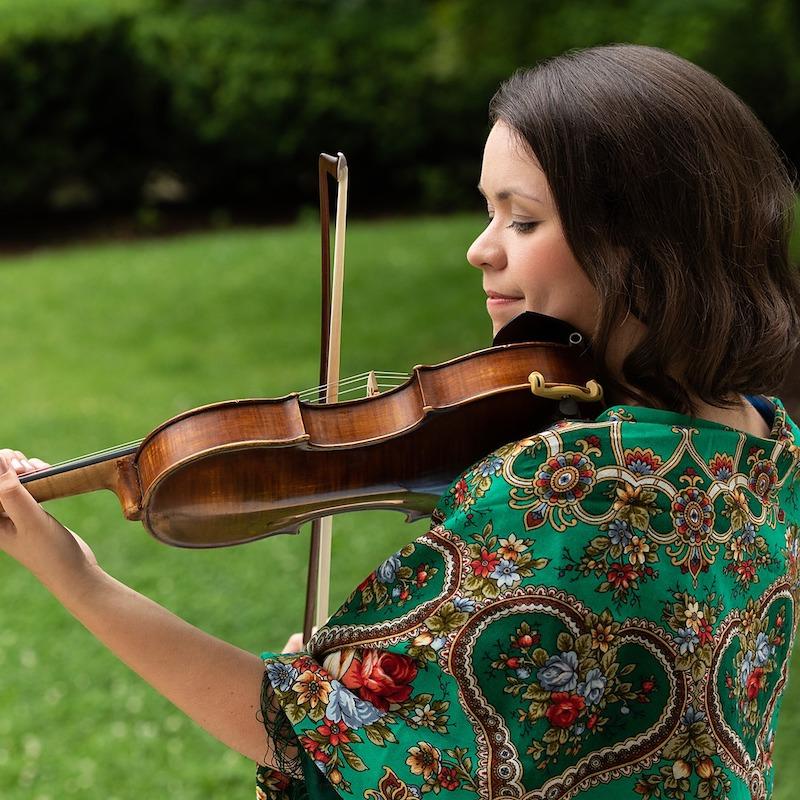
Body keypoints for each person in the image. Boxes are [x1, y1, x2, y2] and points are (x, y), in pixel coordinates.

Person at [1, 42, 800, 800]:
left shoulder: (579, 482)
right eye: (488, 214)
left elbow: (319, 744)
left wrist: (79, 580)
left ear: (640, 243)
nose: (479, 250)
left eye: (521, 221)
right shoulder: (767, 448)